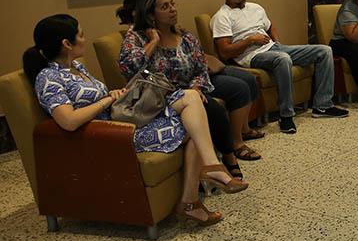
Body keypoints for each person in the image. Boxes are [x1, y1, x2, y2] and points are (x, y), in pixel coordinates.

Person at [25, 14, 231, 225]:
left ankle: (206, 174)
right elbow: (68, 121)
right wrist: (105, 101)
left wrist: (115, 96)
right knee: (193, 126)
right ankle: (192, 200)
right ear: (66, 44)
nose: (84, 39)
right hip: (107, 137)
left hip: (118, 121)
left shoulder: (77, 68)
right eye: (81, 35)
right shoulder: (49, 78)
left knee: (191, 101)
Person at [119, 0, 259, 182]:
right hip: (159, 95)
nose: (172, 10)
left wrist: (196, 87)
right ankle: (227, 157)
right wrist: (154, 42)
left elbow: (201, 68)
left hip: (189, 90)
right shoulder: (137, 38)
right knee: (214, 110)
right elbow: (129, 67)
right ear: (151, 14)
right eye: (165, 7)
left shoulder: (185, 36)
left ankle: (228, 154)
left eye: (173, 4)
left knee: (221, 98)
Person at [211, 0, 348, 135]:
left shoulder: (255, 8)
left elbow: (270, 27)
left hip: (275, 48)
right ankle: (286, 115)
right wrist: (249, 40)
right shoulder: (222, 17)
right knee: (283, 59)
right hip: (252, 56)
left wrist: (278, 44)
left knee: (324, 51)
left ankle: (323, 106)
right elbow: (224, 51)